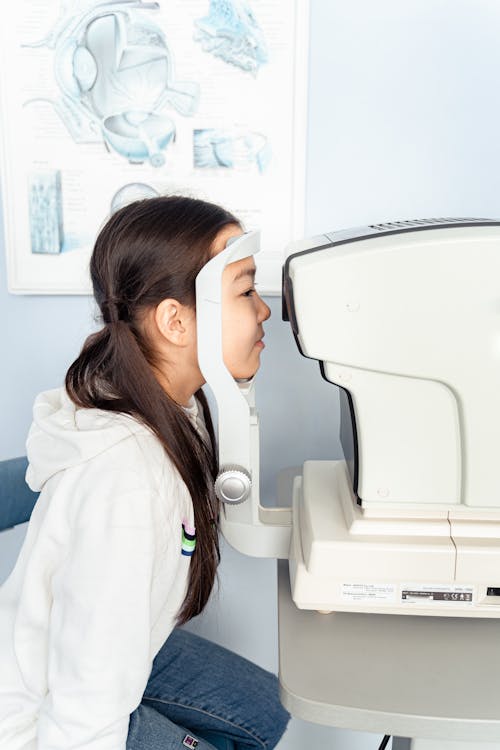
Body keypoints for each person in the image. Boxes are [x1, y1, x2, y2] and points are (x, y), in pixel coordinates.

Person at [0, 195, 290, 750]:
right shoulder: (128, 483)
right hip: (50, 710)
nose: (264, 310)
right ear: (176, 321)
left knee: (262, 711)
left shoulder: (171, 401)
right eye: (246, 290)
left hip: (108, 639)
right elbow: (86, 700)